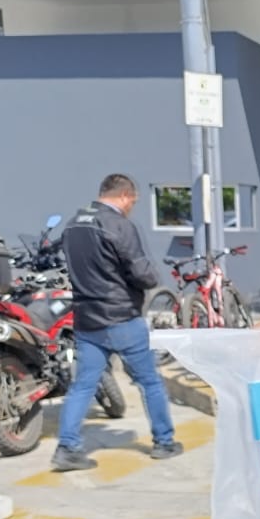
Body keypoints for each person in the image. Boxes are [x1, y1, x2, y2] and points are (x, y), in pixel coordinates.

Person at [52, 172, 183, 471]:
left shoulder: (73, 224)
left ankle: (67, 448)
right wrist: (152, 278)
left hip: (87, 320)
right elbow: (142, 274)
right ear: (124, 196)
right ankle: (164, 442)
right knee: (150, 381)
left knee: (83, 386)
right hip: (121, 318)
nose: (131, 208)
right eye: (132, 202)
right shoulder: (119, 225)